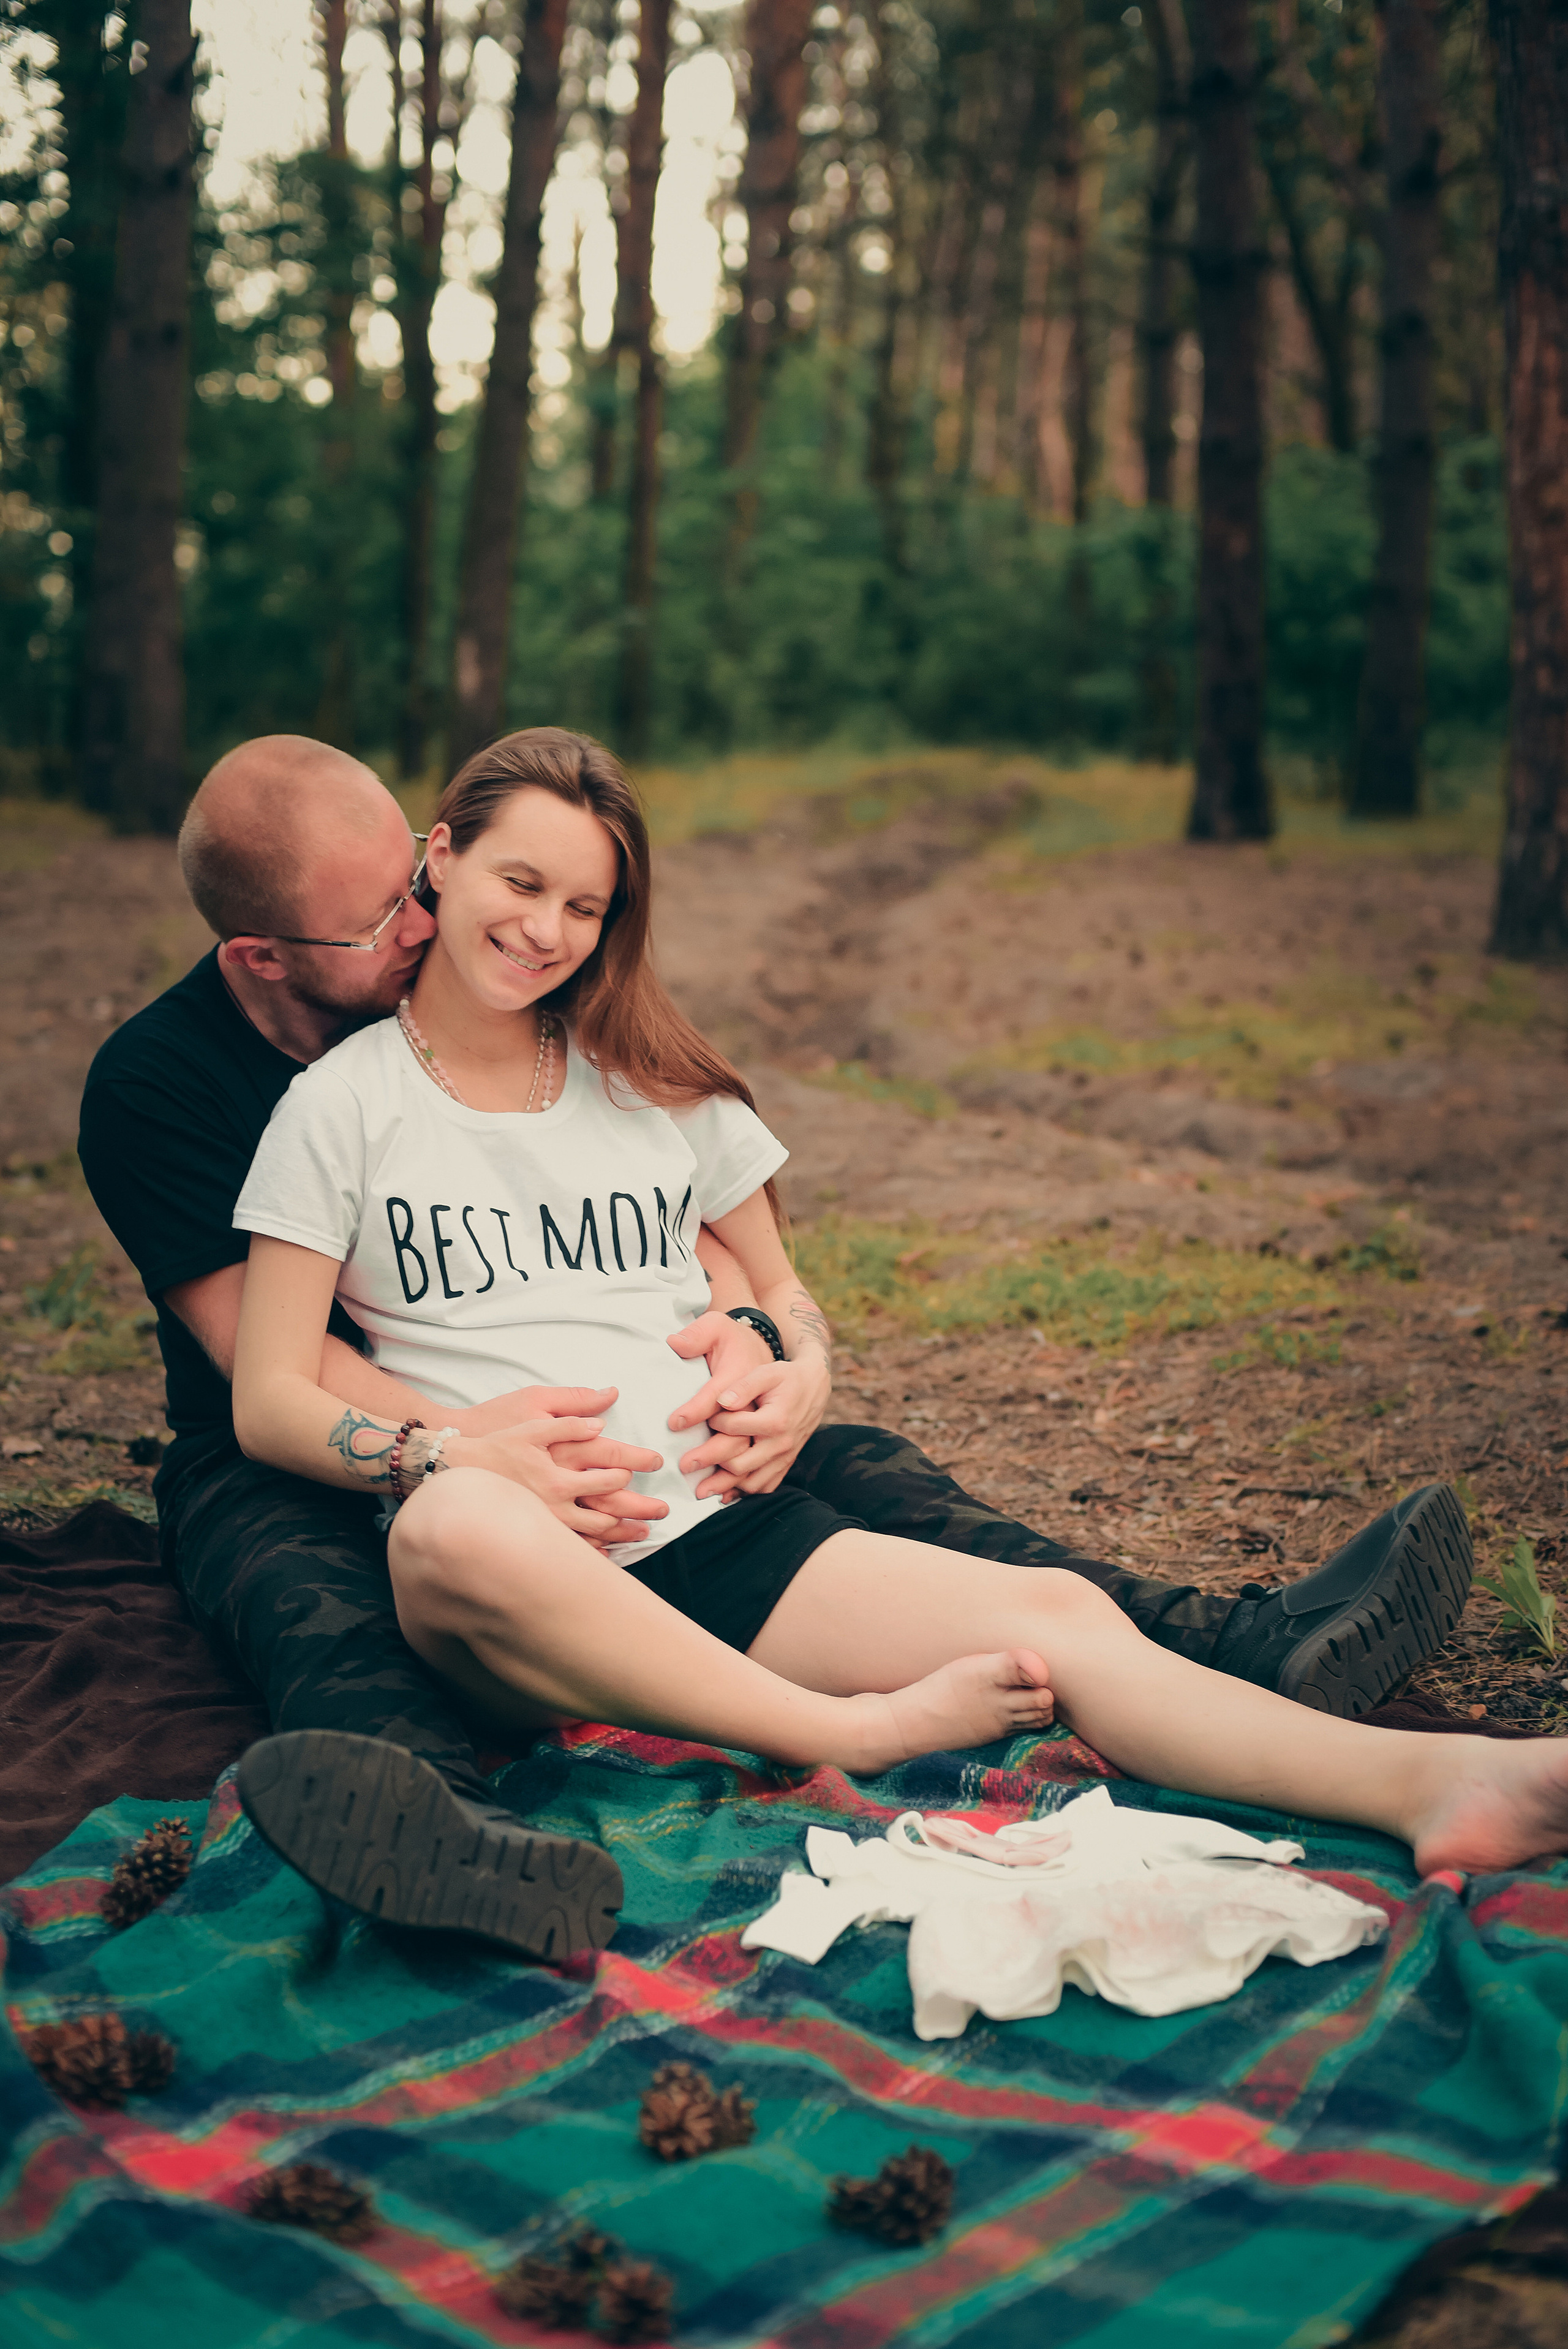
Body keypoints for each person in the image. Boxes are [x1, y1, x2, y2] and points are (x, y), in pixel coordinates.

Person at [79, 732, 1471, 1964]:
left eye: (415, 879)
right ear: (264, 956)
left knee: (868, 1476)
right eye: (382, 915)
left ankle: (1242, 1648)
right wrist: (482, 1454)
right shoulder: (197, 1090)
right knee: (333, 1609)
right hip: (309, 1466)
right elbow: (276, 1371)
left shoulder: (567, 1040)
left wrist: (770, 1348)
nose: (418, 919)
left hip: (612, 1464)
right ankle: (446, 1834)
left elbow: (708, 1247)